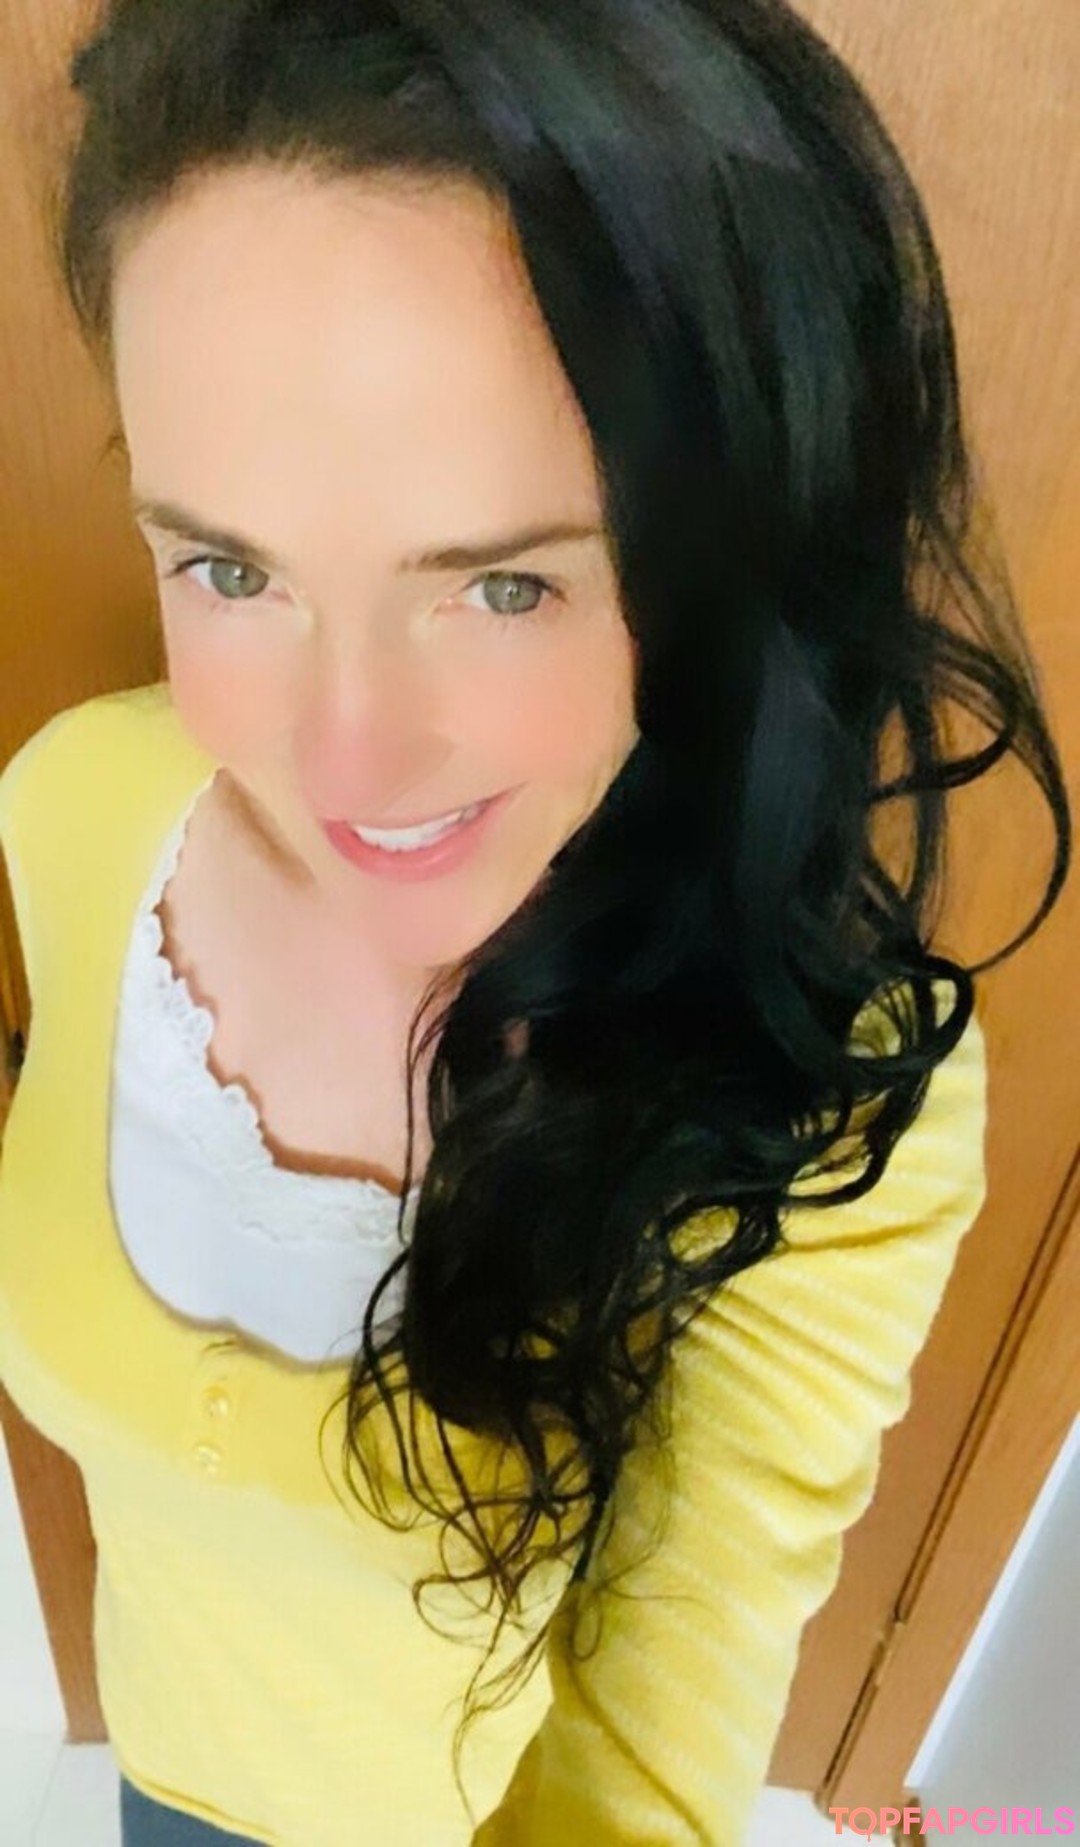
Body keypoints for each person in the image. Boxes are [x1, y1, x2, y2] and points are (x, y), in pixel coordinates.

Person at [0, 2, 1068, 1843]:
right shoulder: (76, 803)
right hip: (154, 1773)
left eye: (501, 586)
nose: (344, 756)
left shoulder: (813, 1086)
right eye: (230, 568)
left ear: (728, 558)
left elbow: (639, 1769)